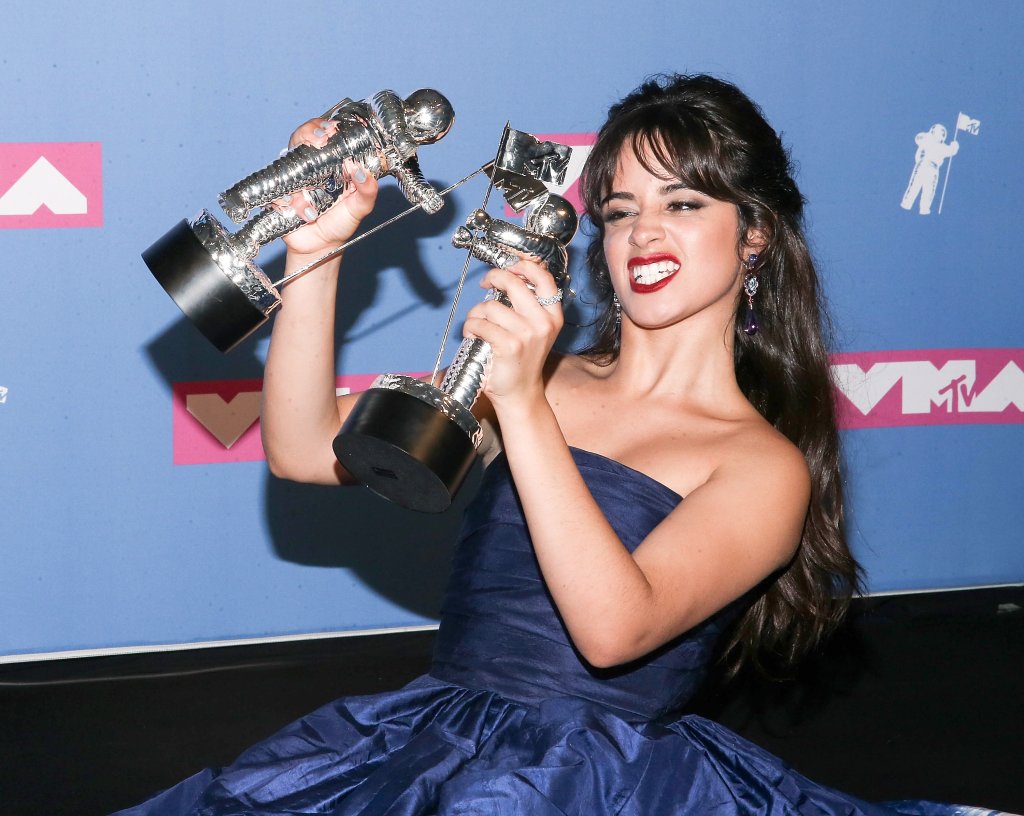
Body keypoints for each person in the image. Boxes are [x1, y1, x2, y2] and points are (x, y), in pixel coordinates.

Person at [116, 74, 1000, 815]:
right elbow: (304, 448)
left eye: (684, 203)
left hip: (600, 785)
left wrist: (525, 404)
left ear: (755, 234)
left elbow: (614, 630)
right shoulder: (547, 378)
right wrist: (320, 253)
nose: (644, 233)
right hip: (419, 756)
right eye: (619, 211)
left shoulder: (760, 466)